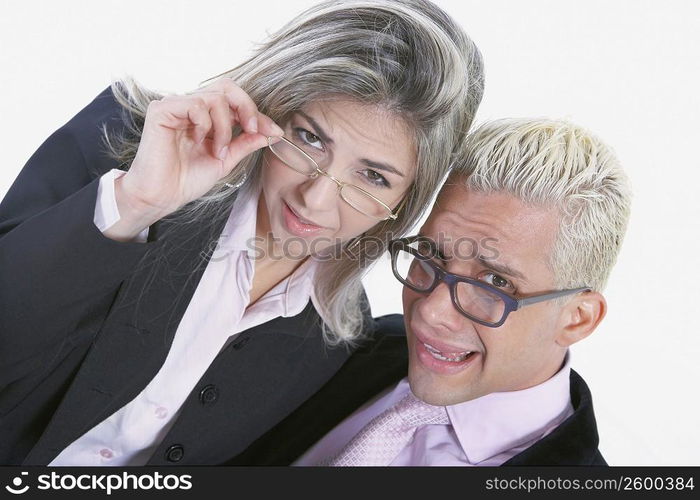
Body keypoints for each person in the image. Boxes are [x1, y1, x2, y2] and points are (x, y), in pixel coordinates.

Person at [0, 0, 484, 465]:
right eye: (308, 138)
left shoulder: (337, 335)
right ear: (269, 107)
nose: (314, 199)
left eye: (373, 177)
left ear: (406, 200)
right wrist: (133, 205)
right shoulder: (125, 144)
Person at [233, 117, 632, 466]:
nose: (431, 312)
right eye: (431, 255)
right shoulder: (345, 344)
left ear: (578, 319)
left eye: (495, 282)